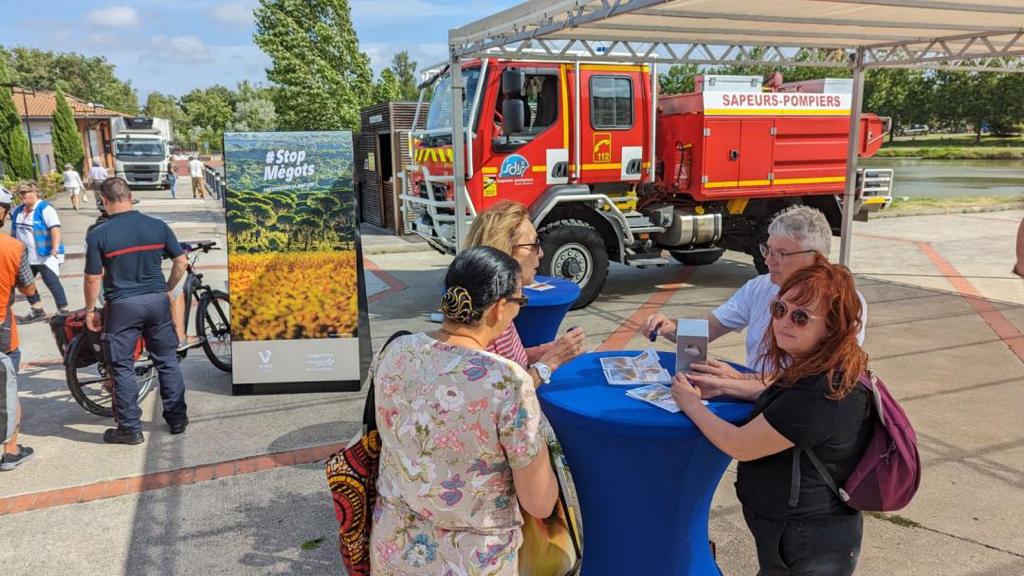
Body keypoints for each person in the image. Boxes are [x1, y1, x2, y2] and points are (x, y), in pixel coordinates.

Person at [670, 260, 872, 575]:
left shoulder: (822, 389)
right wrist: (729, 385)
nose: (784, 322)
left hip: (807, 539)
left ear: (832, 325)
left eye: (801, 317)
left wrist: (691, 404)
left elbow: (740, 445)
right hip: (797, 532)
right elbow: (782, 393)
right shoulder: (819, 366)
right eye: (779, 309)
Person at [371, 246, 557, 575]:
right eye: (519, 302)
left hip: (394, 547)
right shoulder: (507, 382)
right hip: (471, 560)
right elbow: (539, 502)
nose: (518, 311)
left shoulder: (397, 350)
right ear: (500, 308)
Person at [641, 205, 867, 397]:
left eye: (781, 253)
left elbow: (814, 386)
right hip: (755, 400)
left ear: (818, 258)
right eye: (767, 250)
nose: (768, 260)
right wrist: (670, 327)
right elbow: (709, 328)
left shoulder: (843, 301)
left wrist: (733, 381)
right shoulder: (761, 286)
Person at [84, 177, 188, 445]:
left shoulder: (99, 234)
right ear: (130, 197)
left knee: (122, 366)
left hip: (122, 306)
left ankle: (130, 429)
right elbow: (181, 262)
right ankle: (177, 419)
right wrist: (167, 288)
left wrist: (89, 310)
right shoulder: (157, 226)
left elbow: (93, 278)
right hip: (156, 302)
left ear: (104, 201)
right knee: (167, 359)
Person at [464, 200, 586, 386]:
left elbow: (505, 361)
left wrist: (538, 352)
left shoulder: (494, 302)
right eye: (533, 245)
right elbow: (503, 395)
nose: (541, 253)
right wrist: (549, 362)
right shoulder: (486, 317)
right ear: (503, 252)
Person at [0, 186, 43, 471]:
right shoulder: (13, 247)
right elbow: (27, 284)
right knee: (7, 388)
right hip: (3, 331)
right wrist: (37, 304)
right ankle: (11, 449)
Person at [11, 181, 68, 319]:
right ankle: (37, 309)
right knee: (24, 283)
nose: (23, 195)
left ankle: (63, 310)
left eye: (26, 192)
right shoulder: (18, 210)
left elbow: (54, 228)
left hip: (45, 254)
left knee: (51, 281)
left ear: (35, 192)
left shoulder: (45, 208)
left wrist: (55, 247)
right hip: (26, 256)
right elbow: (15, 231)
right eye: (21, 193)